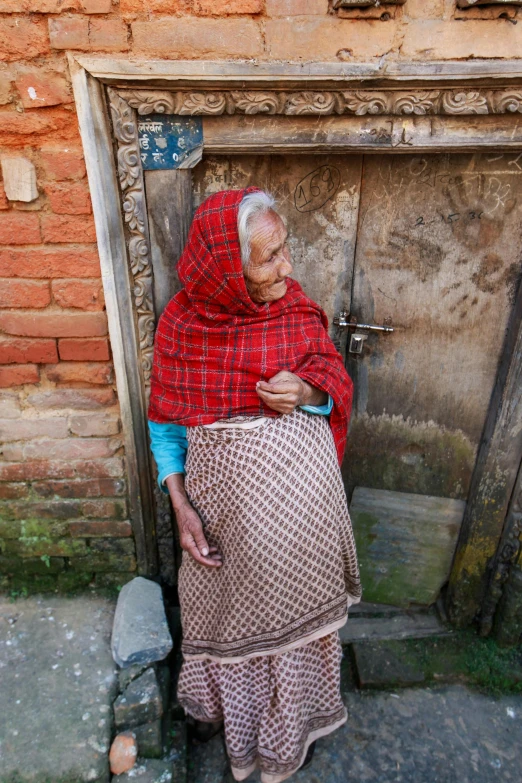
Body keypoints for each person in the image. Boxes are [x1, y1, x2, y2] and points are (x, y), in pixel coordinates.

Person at [148, 187, 362, 783]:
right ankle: (233, 724)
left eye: (284, 250)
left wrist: (308, 392)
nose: (287, 268)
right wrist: (180, 502)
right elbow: (164, 424)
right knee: (226, 621)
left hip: (304, 513)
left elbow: (332, 380)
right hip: (228, 520)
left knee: (299, 633)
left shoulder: (294, 309)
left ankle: (294, 729)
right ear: (225, 266)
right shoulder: (183, 327)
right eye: (268, 257)